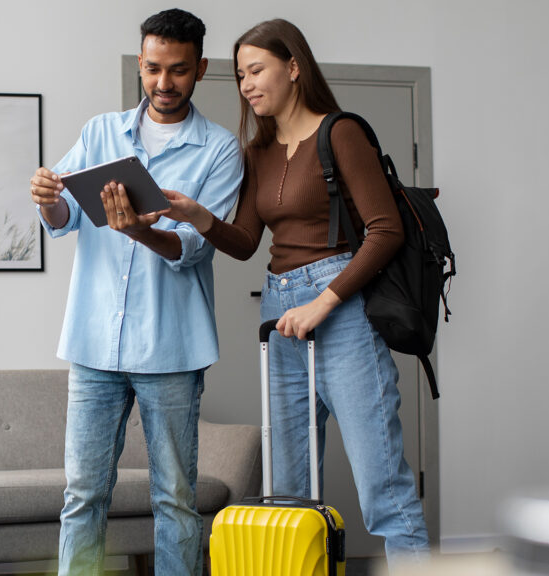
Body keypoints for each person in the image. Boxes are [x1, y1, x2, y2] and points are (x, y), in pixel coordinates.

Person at [163, 18, 430, 564]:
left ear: (293, 66)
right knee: (291, 491)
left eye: (256, 70)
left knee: (383, 487)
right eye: (240, 75)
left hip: (343, 310)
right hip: (281, 313)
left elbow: (385, 231)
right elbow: (243, 244)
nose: (247, 85)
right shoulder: (257, 152)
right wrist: (199, 217)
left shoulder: (340, 133)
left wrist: (323, 302)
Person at [28, 8, 242, 576]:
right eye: (152, 69)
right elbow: (64, 215)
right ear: (141, 65)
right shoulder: (100, 132)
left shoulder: (219, 150)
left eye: (177, 70)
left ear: (200, 68)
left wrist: (141, 231)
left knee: (174, 499)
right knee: (83, 496)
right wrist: (48, 195)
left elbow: (194, 248)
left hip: (170, 351)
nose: (163, 84)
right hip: (94, 346)